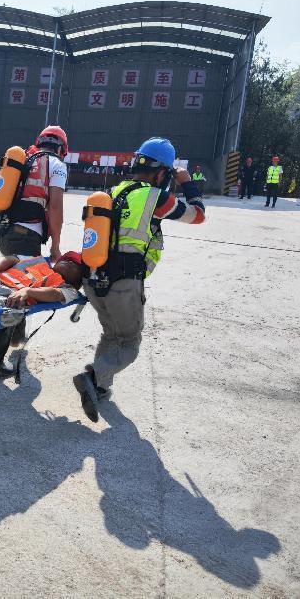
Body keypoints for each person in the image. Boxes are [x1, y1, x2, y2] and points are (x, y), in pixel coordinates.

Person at [73, 137, 206, 422]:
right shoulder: (156, 197)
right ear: (162, 173)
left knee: (111, 335)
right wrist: (187, 183)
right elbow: (197, 216)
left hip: (94, 278)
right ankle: (93, 377)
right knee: (130, 343)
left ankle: (100, 387)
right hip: (124, 283)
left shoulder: (114, 191)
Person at [0, 125, 69, 261]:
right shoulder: (57, 165)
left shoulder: (18, 158)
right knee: (31, 274)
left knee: (14, 269)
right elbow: (55, 207)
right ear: (60, 149)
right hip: (26, 236)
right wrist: (55, 248)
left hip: (2, 233)